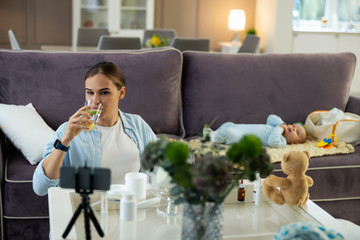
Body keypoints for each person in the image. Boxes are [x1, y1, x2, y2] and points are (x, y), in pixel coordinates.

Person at [33, 62, 157, 196]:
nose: (95, 100)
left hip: (131, 207)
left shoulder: (137, 125)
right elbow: (40, 187)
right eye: (90, 93)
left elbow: (160, 167)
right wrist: (65, 141)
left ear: (121, 92)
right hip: (90, 209)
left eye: (104, 92)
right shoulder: (67, 130)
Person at [207, 114, 306, 148]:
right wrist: (281, 124)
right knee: (228, 124)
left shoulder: (282, 141)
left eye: (297, 132)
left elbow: (271, 141)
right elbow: (270, 117)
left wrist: (279, 128)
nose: (293, 128)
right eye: (293, 126)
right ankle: (214, 132)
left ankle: (214, 138)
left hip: (244, 138)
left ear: (293, 143)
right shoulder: (277, 126)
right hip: (240, 128)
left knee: (228, 132)